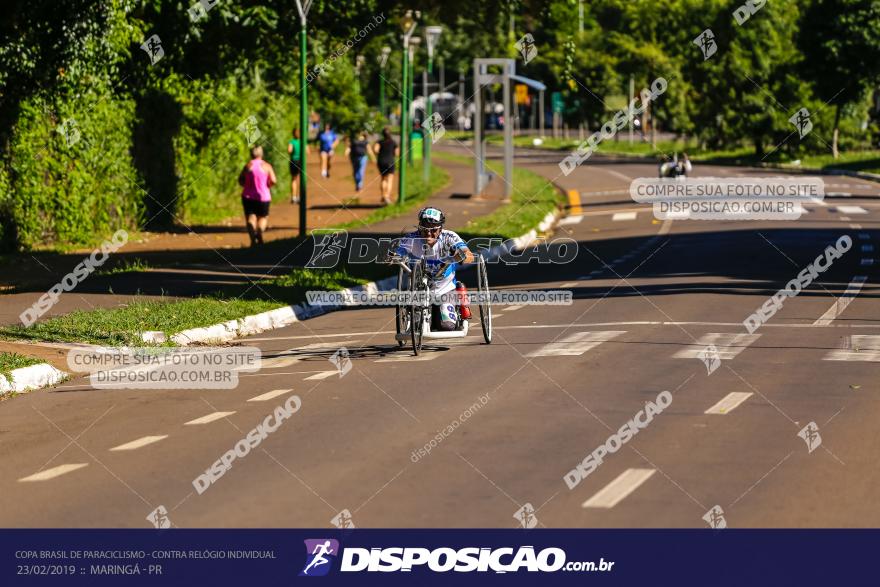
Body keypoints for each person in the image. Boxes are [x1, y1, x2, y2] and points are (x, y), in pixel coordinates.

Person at [391, 207, 474, 331]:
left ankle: (457, 296)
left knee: (447, 326)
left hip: (445, 289)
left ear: (440, 229)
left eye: (433, 230)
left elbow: (469, 256)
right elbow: (397, 253)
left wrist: (460, 255)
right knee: (416, 327)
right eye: (424, 230)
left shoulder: (449, 237)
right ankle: (429, 317)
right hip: (420, 291)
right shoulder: (412, 239)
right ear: (419, 228)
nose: (429, 234)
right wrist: (393, 257)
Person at [238, 145, 276, 246]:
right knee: (263, 217)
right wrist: (268, 185)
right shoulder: (266, 166)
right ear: (261, 153)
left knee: (251, 217)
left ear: (251, 154)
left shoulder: (248, 166)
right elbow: (273, 180)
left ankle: (252, 240)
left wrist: (246, 185)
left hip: (248, 196)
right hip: (263, 196)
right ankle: (259, 233)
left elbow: (240, 180)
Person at [373, 127, 398, 205]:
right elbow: (397, 153)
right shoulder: (393, 142)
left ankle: (383, 195)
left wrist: (380, 153)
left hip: (381, 161)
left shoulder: (379, 142)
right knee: (390, 179)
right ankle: (387, 196)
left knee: (383, 178)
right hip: (390, 161)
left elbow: (375, 150)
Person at [287, 128, 308, 204]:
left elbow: (289, 150)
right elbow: (307, 151)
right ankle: (299, 196)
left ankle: (294, 197)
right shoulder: (302, 142)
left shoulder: (291, 142)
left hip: (293, 161)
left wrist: (293, 152)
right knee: (300, 179)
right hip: (301, 161)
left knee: (294, 179)